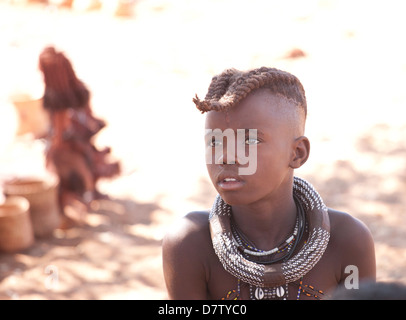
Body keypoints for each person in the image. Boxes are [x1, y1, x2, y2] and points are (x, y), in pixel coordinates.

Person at [162, 66, 376, 300]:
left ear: (297, 153)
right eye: (214, 141)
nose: (226, 156)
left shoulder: (347, 241)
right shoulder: (191, 244)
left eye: (251, 139)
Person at [38, 46, 120, 223]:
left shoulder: (57, 102)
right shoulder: (79, 89)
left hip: (71, 153)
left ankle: (71, 203)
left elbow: (59, 137)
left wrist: (50, 154)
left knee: (57, 169)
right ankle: (89, 190)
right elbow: (91, 119)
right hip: (84, 148)